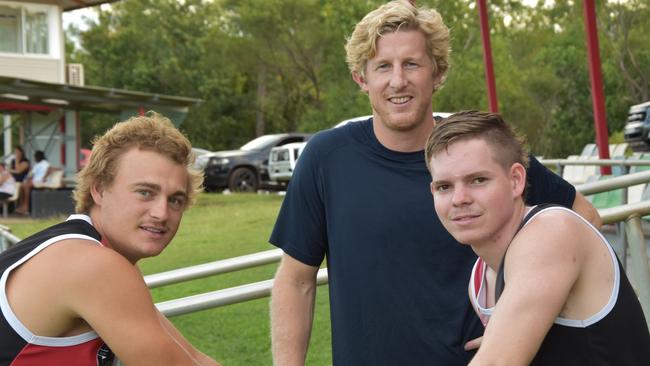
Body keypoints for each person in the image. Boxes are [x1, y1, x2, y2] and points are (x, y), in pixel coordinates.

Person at [268, 1, 601, 365]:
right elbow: (297, 281)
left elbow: (583, 220)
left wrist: (520, 318)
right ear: (362, 79)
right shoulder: (326, 157)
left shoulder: (479, 148)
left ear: (437, 72)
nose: (398, 81)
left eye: (412, 64)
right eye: (383, 67)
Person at [425, 110, 650, 365]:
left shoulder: (552, 231)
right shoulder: (480, 279)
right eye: (444, 187)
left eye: (478, 180)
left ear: (516, 180)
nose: (459, 199)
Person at [0, 113, 220, 365]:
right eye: (145, 192)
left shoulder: (84, 249)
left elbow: (192, 357)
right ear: (99, 189)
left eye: (175, 200)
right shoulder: (92, 265)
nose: (162, 213)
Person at [14, 150, 50, 215]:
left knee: (26, 186)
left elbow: (49, 169)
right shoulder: (37, 164)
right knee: (22, 185)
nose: (35, 158)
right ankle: (22, 205)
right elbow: (31, 174)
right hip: (34, 181)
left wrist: (45, 177)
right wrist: (28, 178)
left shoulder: (45, 163)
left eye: (35, 156)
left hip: (40, 181)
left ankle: (26, 207)